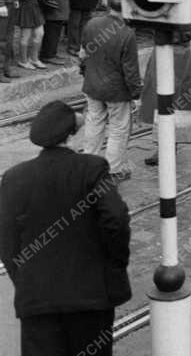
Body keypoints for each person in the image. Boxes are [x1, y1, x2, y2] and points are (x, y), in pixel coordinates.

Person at [0, 100, 131, 356]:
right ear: (71, 136)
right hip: (90, 298)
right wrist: (113, 266)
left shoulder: (14, 178)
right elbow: (116, 218)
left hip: (37, 301)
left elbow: (6, 240)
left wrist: (25, 277)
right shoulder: (92, 169)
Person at [79, 0, 142, 182]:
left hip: (92, 85)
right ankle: (114, 170)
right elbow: (130, 70)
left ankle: (88, 165)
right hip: (116, 91)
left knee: (93, 122)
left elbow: (83, 54)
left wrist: (85, 74)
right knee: (118, 129)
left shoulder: (92, 24)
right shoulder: (127, 34)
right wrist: (135, 94)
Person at [139, 43, 191, 166]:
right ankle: (166, 147)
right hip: (166, 51)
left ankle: (167, 149)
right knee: (165, 105)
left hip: (171, 53)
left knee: (169, 105)